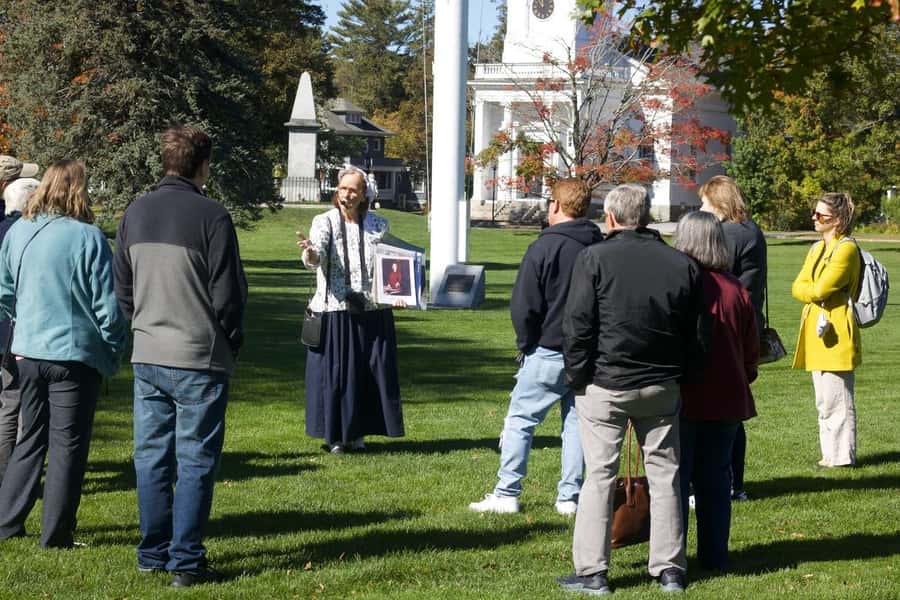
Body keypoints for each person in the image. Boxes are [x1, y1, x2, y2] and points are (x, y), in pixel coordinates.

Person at [114, 126, 248, 587]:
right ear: (202, 164)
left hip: (148, 351)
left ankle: (153, 552)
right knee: (194, 460)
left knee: (151, 458)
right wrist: (231, 340)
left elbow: (123, 289)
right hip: (198, 354)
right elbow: (228, 295)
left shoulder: (136, 212)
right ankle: (186, 561)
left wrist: (141, 326)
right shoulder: (212, 216)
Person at [558, 183, 705, 595]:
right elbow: (697, 331)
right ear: (647, 216)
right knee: (665, 476)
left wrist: (577, 377)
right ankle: (670, 568)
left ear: (610, 217)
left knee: (599, 477)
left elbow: (577, 326)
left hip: (606, 383)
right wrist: (683, 376)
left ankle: (593, 572)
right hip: (661, 383)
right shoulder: (681, 263)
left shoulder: (594, 258)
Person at [0, 160, 127, 548]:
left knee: (31, 439)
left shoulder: (19, 230)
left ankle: (6, 522)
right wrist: (115, 345)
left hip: (28, 351)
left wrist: (24, 321)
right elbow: (106, 304)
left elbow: (5, 291)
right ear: (79, 189)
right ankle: (56, 534)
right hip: (72, 356)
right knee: (68, 444)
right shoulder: (88, 237)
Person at [469, 178, 602, 516]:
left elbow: (525, 305)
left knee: (521, 420)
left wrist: (526, 343)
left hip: (548, 348)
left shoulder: (544, 247)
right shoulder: (599, 246)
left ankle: (507, 491)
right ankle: (569, 497)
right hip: (588, 351)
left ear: (555, 206)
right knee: (575, 424)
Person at [673, 211, 759, 571]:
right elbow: (750, 350)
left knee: (677, 480)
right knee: (715, 481)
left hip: (688, 395)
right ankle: (714, 556)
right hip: (727, 395)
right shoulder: (735, 288)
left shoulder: (680, 284)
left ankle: (672, 556)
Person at [297, 166, 404, 454]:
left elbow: (390, 262)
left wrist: (399, 293)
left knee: (368, 373)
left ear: (364, 193)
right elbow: (315, 255)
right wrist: (310, 251)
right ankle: (335, 437)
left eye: (354, 189)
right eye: (343, 188)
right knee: (338, 375)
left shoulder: (378, 224)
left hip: (371, 308)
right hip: (335, 310)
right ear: (337, 191)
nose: (348, 194)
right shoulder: (324, 222)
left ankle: (358, 434)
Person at [698, 175, 767, 502]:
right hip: (746, 322)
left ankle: (721, 481)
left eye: (705, 203)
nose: (702, 209)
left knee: (722, 413)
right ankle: (733, 482)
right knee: (732, 413)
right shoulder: (751, 229)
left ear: (719, 203)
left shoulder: (729, 234)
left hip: (727, 324)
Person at [791, 192, 861, 468]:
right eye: (815, 213)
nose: (814, 218)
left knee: (838, 399)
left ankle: (842, 457)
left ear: (839, 220)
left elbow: (819, 288)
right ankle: (829, 454)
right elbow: (798, 286)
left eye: (821, 215)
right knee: (823, 400)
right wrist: (812, 291)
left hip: (836, 330)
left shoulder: (846, 249)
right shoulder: (817, 248)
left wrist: (811, 291)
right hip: (817, 327)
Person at [0, 178, 40, 483]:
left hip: (6, 329)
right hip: (18, 329)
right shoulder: (25, 234)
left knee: (9, 401)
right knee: (23, 403)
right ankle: (20, 477)